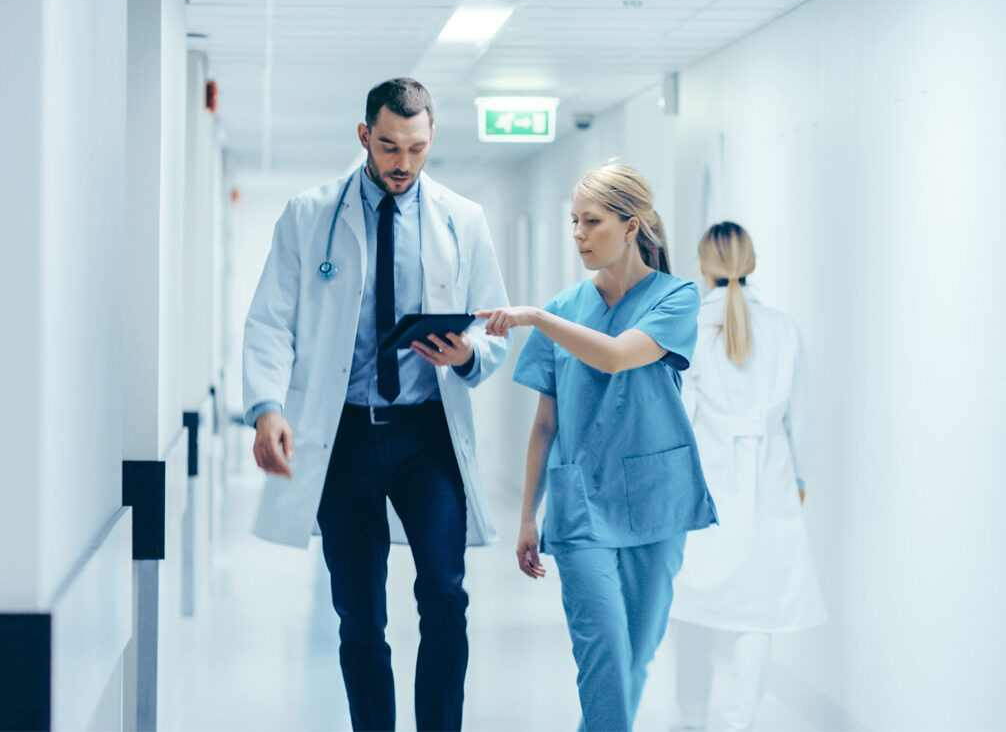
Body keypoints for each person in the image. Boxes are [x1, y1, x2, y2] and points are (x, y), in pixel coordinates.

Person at [241, 77, 510, 731]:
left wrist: (467, 354)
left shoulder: (461, 219)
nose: (402, 163)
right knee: (359, 613)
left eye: (415, 148)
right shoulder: (309, 216)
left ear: (430, 139)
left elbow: (492, 325)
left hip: (427, 435)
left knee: (444, 597)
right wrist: (268, 405)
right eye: (388, 146)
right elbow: (270, 321)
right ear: (364, 136)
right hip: (345, 438)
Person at [478, 163, 718, 732]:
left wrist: (534, 316)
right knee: (604, 661)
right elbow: (545, 425)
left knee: (634, 659)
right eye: (573, 222)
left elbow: (614, 354)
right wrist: (527, 518)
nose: (579, 234)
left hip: (657, 502)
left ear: (631, 226)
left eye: (592, 221)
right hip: (580, 503)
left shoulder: (677, 298)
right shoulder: (564, 309)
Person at [669, 221, 826, 731]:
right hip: (769, 478)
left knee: (692, 603)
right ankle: (739, 723)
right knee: (759, 610)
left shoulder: (688, 325)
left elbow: (678, 416)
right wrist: (797, 480)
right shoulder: (783, 327)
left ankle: (693, 719)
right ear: (750, 262)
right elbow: (799, 418)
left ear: (703, 265)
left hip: (703, 484)